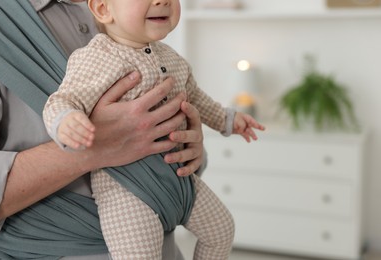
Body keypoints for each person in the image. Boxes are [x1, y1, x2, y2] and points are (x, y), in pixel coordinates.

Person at [43, 0, 266, 259]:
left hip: (179, 179)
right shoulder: (96, 57)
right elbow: (62, 100)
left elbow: (196, 98)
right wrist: (66, 120)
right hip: (127, 189)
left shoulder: (172, 59)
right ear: (104, 9)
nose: (161, 1)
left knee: (221, 230)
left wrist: (227, 119)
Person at [0, 0, 206, 259]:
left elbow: (191, 153)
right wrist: (93, 149)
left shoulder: (142, 21)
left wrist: (187, 140)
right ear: (101, 9)